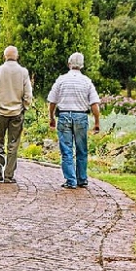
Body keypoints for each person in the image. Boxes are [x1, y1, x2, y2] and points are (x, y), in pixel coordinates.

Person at [47, 52, 100, 189]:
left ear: (69, 63)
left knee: (67, 150)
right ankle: (82, 179)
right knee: (82, 149)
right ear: (82, 65)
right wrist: (97, 122)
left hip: (64, 115)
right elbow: (94, 104)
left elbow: (52, 101)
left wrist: (52, 117)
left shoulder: (61, 80)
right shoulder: (87, 81)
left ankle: (71, 181)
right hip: (81, 116)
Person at [0, 45, 33, 183]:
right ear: (17, 56)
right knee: (13, 144)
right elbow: (28, 94)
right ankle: (9, 175)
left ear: (4, 56)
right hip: (17, 112)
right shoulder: (23, 72)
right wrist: (25, 106)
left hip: (0, 112)